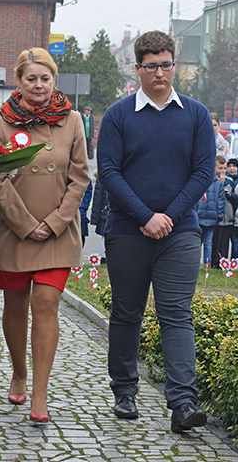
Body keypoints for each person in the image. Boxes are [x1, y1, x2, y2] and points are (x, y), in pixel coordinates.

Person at [97, 30, 213, 432]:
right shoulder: (118, 115)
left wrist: (170, 216)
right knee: (127, 312)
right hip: (128, 230)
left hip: (180, 232)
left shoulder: (196, 114)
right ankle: (125, 391)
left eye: (166, 64)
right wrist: (146, 216)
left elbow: (203, 172)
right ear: (138, 68)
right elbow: (109, 172)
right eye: (151, 66)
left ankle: (183, 404)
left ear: (174, 65)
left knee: (176, 314)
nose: (159, 73)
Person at [0, 47, 89, 423]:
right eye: (31, 78)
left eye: (45, 78)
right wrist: (27, 224)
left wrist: (56, 221)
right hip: (14, 232)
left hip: (59, 233)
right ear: (19, 81)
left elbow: (80, 177)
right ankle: (19, 371)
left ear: (54, 80)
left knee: (45, 303)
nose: (39, 85)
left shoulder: (73, 120)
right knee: (15, 307)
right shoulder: (0, 122)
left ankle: (40, 395)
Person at [196, 155, 225, 267]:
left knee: (208, 242)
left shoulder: (218, 184)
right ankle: (195, 263)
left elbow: (221, 201)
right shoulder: (200, 181)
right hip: (199, 217)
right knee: (198, 243)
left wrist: (219, 215)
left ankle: (207, 263)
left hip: (212, 218)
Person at [213, 157, 238, 264]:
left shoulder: (230, 181)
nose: (223, 171)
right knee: (215, 241)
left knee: (225, 243)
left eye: (224, 168)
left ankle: (223, 262)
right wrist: (219, 184)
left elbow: (235, 199)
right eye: (220, 168)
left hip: (227, 216)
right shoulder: (211, 180)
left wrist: (229, 194)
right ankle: (213, 262)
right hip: (214, 216)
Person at [90, 170, 109, 264]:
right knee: (104, 236)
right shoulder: (101, 177)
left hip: (106, 211)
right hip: (105, 211)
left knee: (105, 236)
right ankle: (104, 257)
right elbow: (97, 198)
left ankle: (104, 257)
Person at [226, 158, 238, 259]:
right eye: (229, 166)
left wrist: (230, 195)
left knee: (235, 239)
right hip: (227, 214)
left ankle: (234, 261)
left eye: (234, 166)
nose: (232, 169)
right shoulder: (224, 179)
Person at [80, 179, 93, 246]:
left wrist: (83, 208)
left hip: (80, 213)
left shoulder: (84, 174)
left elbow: (88, 192)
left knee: (80, 239)